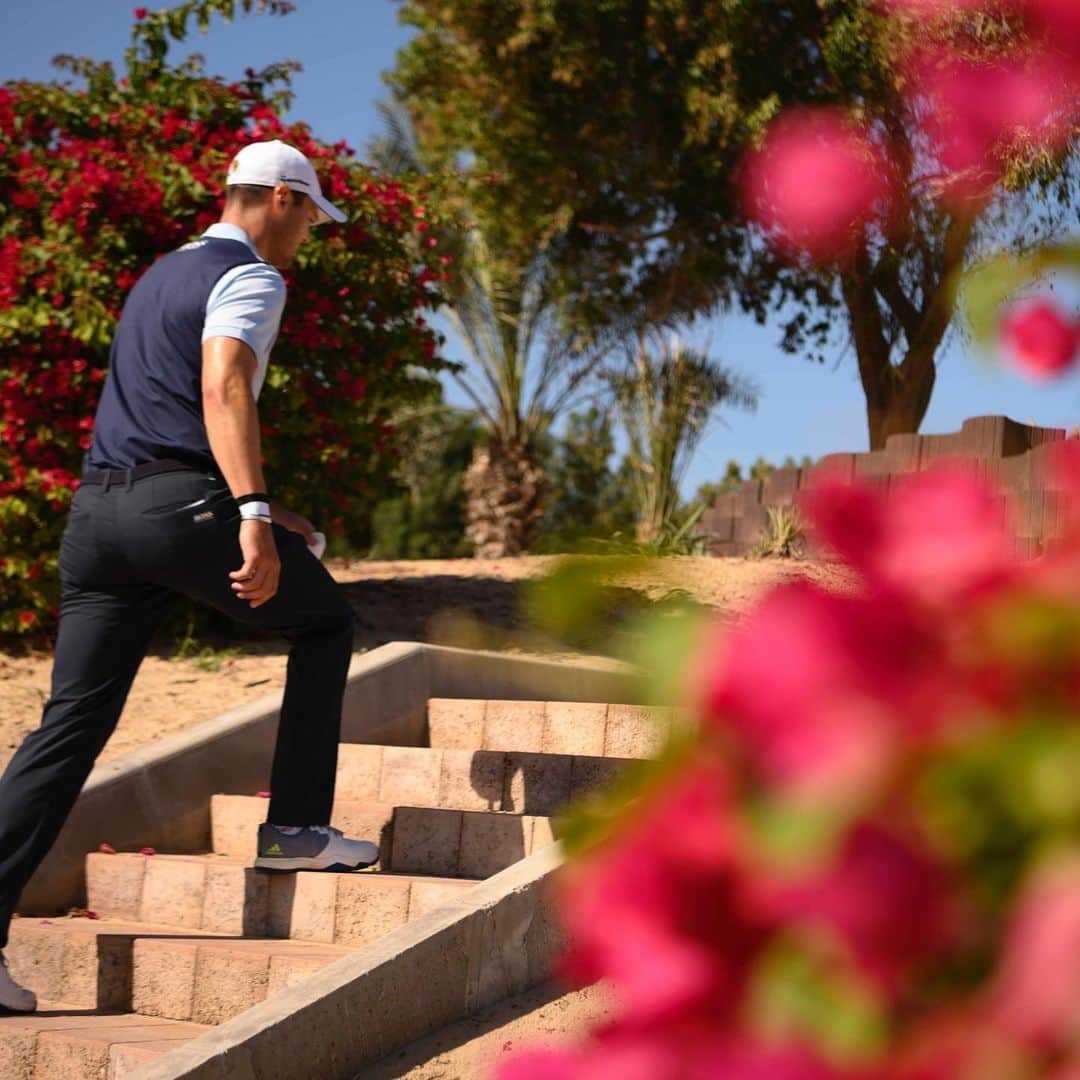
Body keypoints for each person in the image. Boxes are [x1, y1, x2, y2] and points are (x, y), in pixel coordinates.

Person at [0, 140, 379, 1014]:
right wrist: (249, 512)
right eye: (310, 219)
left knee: (69, 726)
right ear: (281, 198)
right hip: (179, 513)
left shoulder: (159, 274)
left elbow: (159, 408)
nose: (307, 239)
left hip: (98, 517)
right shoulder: (252, 277)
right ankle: (292, 830)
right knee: (324, 624)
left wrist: (252, 503)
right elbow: (223, 388)